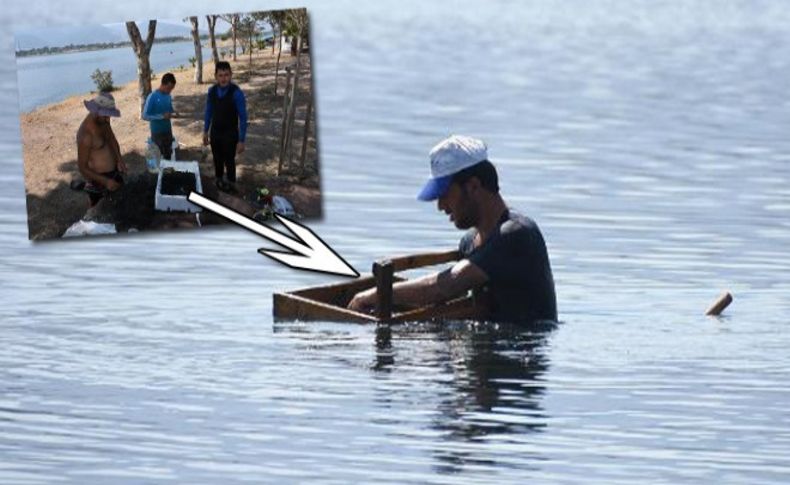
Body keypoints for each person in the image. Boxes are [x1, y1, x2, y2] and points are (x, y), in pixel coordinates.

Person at [348, 135, 557, 323]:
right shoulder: (469, 242)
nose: (440, 206)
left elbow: (441, 288)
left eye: (444, 194)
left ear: (473, 186)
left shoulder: (516, 234)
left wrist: (370, 296)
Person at [203, 61, 247, 192]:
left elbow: (243, 118)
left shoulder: (236, 93)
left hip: (230, 134)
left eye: (226, 75)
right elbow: (208, 112)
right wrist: (205, 131)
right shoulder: (211, 92)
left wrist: (241, 140)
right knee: (217, 159)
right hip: (215, 132)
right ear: (216, 76)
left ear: (231, 75)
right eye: (220, 75)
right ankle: (219, 180)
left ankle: (232, 184)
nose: (224, 78)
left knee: (229, 160)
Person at [76, 92, 126, 207]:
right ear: (95, 111)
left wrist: (119, 159)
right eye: (105, 115)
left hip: (114, 173)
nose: (108, 118)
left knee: (122, 205)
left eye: (108, 115)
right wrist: (105, 181)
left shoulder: (103, 121)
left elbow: (111, 139)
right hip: (98, 180)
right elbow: (82, 167)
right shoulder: (86, 135)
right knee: (101, 216)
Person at [143, 72, 178, 159]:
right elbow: (145, 115)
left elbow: (169, 110)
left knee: (168, 154)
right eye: (169, 88)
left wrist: (174, 113)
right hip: (157, 133)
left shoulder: (168, 96)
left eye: (172, 89)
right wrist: (161, 116)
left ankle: (169, 171)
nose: (170, 91)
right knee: (159, 157)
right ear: (163, 84)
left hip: (168, 130)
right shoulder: (152, 96)